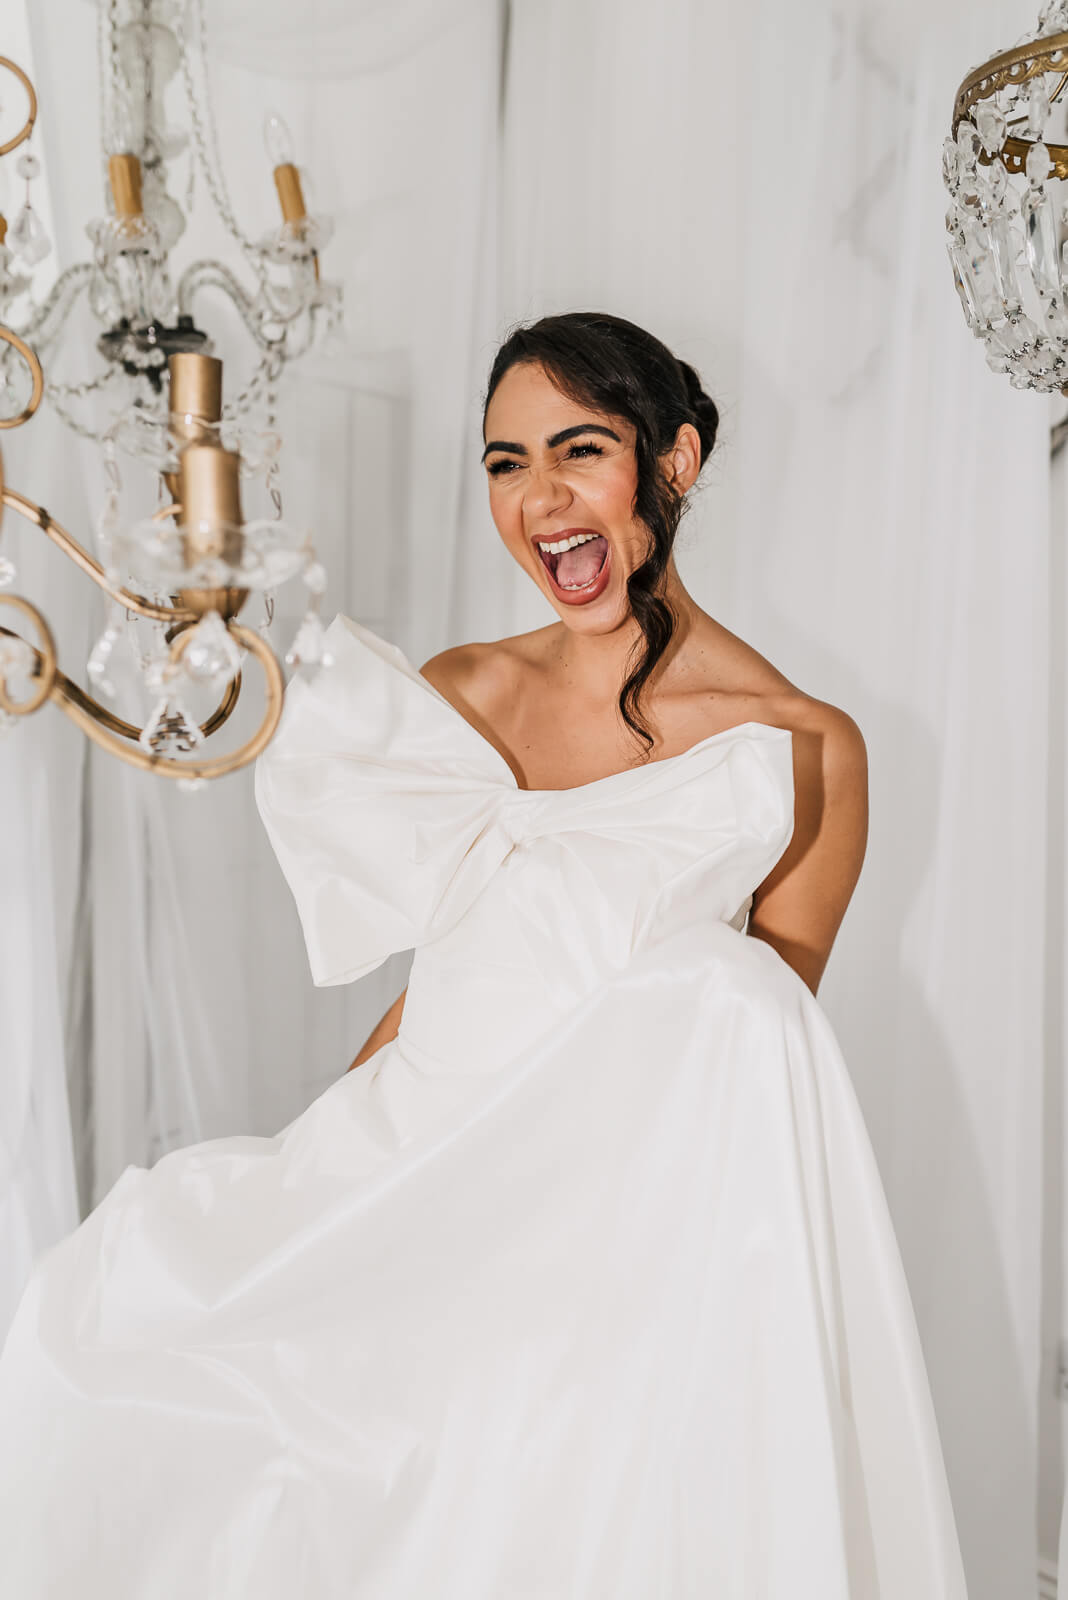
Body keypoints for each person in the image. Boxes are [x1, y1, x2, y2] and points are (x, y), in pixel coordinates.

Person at [0, 311, 967, 1599]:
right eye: (507, 463)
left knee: (501, 1463)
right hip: (415, 1159)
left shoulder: (802, 751)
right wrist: (311, 1177)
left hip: (600, 1227)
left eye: (580, 451)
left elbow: (749, 1078)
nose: (540, 499)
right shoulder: (457, 696)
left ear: (674, 462)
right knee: (107, 1331)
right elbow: (447, 987)